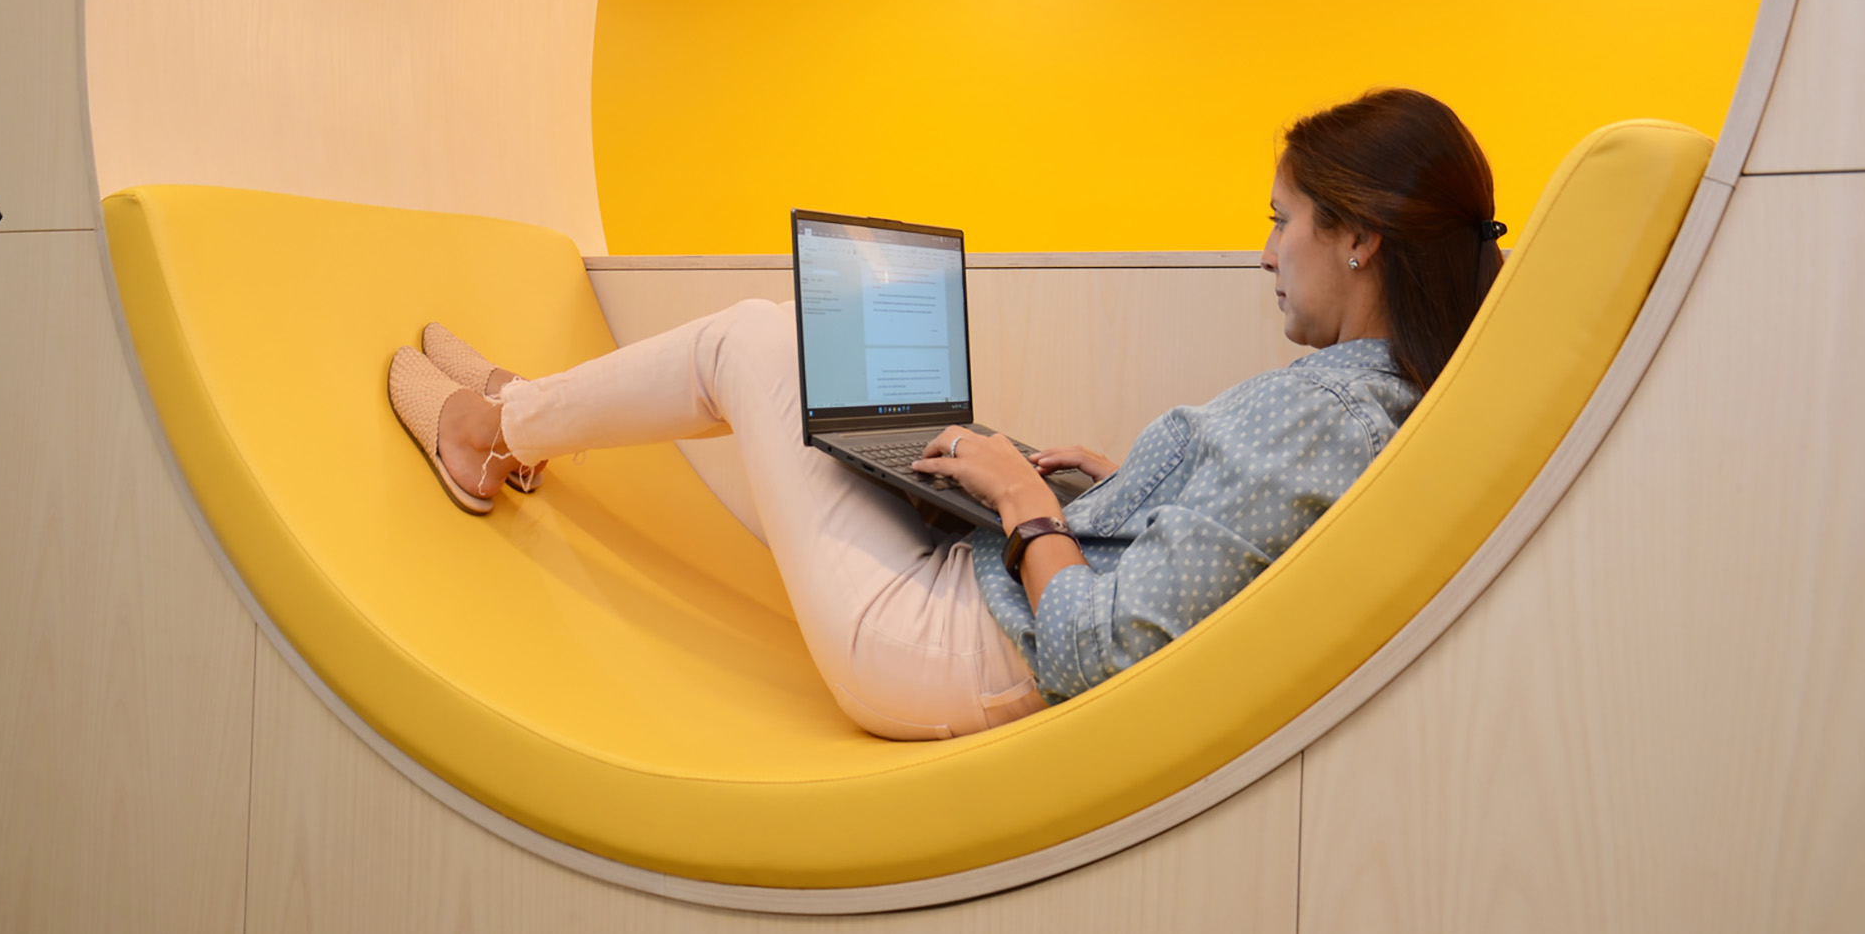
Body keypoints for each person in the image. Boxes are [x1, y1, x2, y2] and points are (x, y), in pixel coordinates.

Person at [386, 88, 1506, 741]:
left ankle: (493, 426)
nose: (1265, 252)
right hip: (973, 604)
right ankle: (512, 407)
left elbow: (1097, 650)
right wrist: (1113, 488)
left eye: (1281, 222)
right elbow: (1216, 551)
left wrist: (1024, 499)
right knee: (811, 376)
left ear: (1357, 236)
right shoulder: (1368, 400)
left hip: (949, 656)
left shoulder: (1332, 416)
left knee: (751, 340)